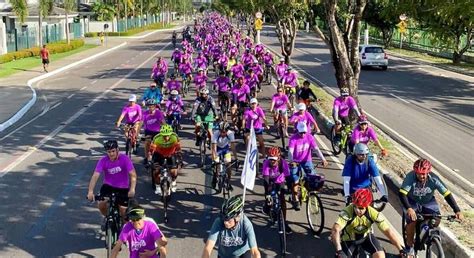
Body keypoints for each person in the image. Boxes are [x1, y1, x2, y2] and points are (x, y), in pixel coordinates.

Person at [399, 158, 463, 257]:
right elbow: (402, 194)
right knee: (412, 220)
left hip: (428, 201)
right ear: (415, 172)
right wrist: (409, 208)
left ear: (428, 172)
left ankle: (423, 234)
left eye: (424, 174)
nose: (421, 176)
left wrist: (457, 210)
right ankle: (410, 247)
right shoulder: (410, 177)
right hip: (411, 201)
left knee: (436, 219)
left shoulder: (434, 179)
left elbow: (447, 194)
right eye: (419, 174)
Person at [331, 188, 406, 258]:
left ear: (367, 206)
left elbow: (388, 231)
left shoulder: (372, 213)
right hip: (349, 240)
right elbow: (335, 229)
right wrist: (339, 250)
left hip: (366, 237)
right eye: (355, 206)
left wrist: (401, 249)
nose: (357, 210)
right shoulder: (347, 212)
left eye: (361, 208)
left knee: (380, 256)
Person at [87, 140, 137, 219]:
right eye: (109, 152)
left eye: (113, 151)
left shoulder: (125, 159)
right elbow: (95, 176)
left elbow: (133, 175)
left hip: (123, 187)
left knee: (124, 213)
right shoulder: (103, 161)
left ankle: (124, 228)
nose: (111, 154)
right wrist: (90, 191)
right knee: (101, 204)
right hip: (108, 186)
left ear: (117, 150)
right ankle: (107, 218)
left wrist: (132, 189)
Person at [288, 122, 328, 210]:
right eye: (301, 132)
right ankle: (295, 199)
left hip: (307, 161)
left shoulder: (309, 137)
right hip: (295, 162)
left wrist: (323, 159)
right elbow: (290, 152)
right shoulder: (293, 139)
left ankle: (311, 194)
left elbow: (316, 149)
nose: (303, 134)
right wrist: (291, 161)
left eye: (304, 132)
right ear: (297, 131)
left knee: (313, 179)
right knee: (295, 180)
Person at [262, 147, 292, 233]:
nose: (272, 161)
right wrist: (267, 194)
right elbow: (266, 180)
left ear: (278, 158)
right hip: (270, 181)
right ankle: (267, 207)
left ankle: (284, 222)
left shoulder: (283, 163)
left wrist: (289, 190)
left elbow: (288, 177)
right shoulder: (266, 164)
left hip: (280, 180)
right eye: (270, 159)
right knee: (269, 198)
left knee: (282, 200)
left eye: (274, 159)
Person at [149, 124, 182, 194]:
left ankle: (173, 181)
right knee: (156, 172)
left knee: (174, 171)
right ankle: (157, 187)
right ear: (161, 134)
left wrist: (180, 158)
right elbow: (151, 150)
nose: (166, 137)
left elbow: (178, 148)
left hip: (171, 154)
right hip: (159, 154)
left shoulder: (175, 137)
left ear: (170, 134)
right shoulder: (157, 138)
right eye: (164, 136)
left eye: (168, 135)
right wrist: (149, 159)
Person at [211, 122, 238, 191]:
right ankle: (215, 176)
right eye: (221, 131)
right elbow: (214, 149)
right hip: (218, 149)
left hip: (226, 149)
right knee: (216, 163)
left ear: (227, 131)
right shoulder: (215, 134)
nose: (222, 133)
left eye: (224, 132)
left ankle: (228, 182)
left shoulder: (230, 134)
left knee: (228, 164)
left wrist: (236, 158)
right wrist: (214, 159)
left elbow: (233, 148)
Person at [142, 99, 165, 165]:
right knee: (147, 142)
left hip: (157, 132)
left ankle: (160, 157)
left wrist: (166, 131)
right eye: (149, 106)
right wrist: (137, 134)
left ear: (155, 106)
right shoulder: (145, 113)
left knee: (160, 144)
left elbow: (163, 123)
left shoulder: (159, 113)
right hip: (148, 131)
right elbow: (141, 124)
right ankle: (146, 158)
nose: (150, 108)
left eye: (152, 106)